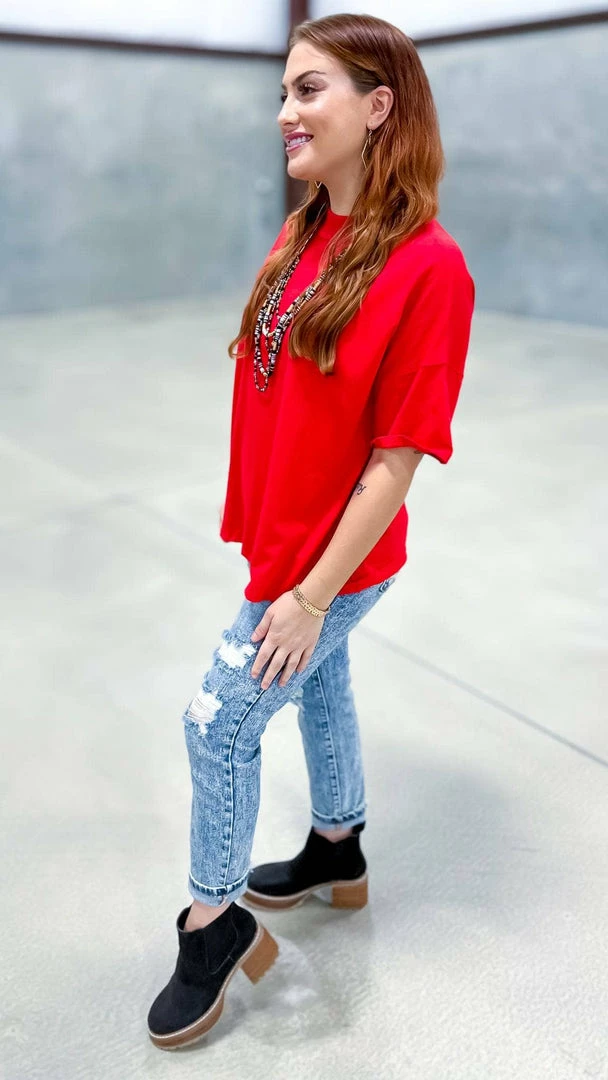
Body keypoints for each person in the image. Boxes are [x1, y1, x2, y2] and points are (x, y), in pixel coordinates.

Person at [147, 12, 475, 1050]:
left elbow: (397, 459)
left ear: (378, 107)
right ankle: (338, 847)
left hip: (332, 560)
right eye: (282, 92)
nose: (284, 112)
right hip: (283, 535)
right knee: (319, 684)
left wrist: (308, 596)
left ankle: (213, 924)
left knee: (218, 725)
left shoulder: (431, 269)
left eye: (307, 90)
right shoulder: (307, 232)